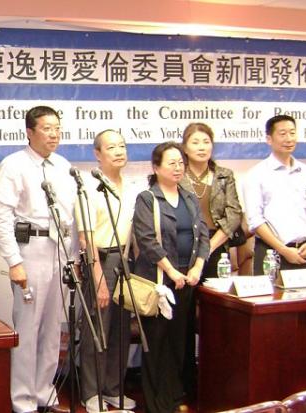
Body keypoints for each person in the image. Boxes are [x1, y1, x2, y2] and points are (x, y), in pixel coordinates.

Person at [0, 106, 77, 413]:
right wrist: (14, 261)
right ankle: (23, 399)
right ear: (30, 132)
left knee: (53, 328)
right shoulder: (14, 165)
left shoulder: (64, 166)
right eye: (47, 128)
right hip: (31, 251)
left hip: (59, 251)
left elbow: (71, 217)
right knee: (28, 329)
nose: (54, 134)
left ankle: (44, 391)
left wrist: (73, 256)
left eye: (57, 127)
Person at [132, 142, 209, 413]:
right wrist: (172, 271)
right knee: (157, 344)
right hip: (160, 282)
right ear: (156, 168)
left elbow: (203, 235)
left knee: (179, 342)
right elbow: (147, 240)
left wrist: (197, 267)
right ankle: (157, 403)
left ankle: (176, 397)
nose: (178, 168)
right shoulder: (147, 198)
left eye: (180, 163)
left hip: (187, 280)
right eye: (171, 163)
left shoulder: (189, 197)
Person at [76, 130, 138, 412]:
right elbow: (85, 237)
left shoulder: (133, 185)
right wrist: (98, 276)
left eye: (122, 146)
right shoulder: (88, 187)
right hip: (100, 260)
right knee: (97, 329)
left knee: (121, 330)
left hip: (126, 261)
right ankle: (91, 392)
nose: (119, 151)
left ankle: (114, 388)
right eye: (111, 147)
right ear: (97, 154)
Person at [243, 115, 306, 275]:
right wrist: (284, 250)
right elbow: (255, 221)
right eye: (282, 134)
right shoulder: (256, 175)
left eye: (292, 133)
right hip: (271, 253)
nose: (289, 138)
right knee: (274, 299)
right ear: (269, 139)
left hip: (305, 251)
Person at [179, 122, 243, 279]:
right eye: (195, 142)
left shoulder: (224, 176)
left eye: (206, 142)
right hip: (185, 246)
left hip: (217, 245)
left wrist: (209, 247)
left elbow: (234, 214)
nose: (202, 147)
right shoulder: (177, 176)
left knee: (216, 299)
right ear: (185, 149)